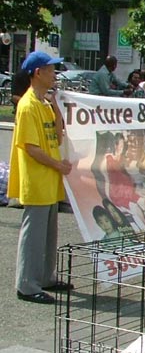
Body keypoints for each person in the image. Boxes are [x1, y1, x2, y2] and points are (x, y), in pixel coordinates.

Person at [9, 51, 73, 304]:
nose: (54, 75)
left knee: (48, 235)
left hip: (49, 180)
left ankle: (46, 277)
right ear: (38, 73)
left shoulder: (43, 104)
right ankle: (27, 284)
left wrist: (56, 108)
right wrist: (57, 165)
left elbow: (57, 136)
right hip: (36, 181)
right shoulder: (27, 106)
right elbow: (31, 148)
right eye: (51, 70)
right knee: (33, 235)